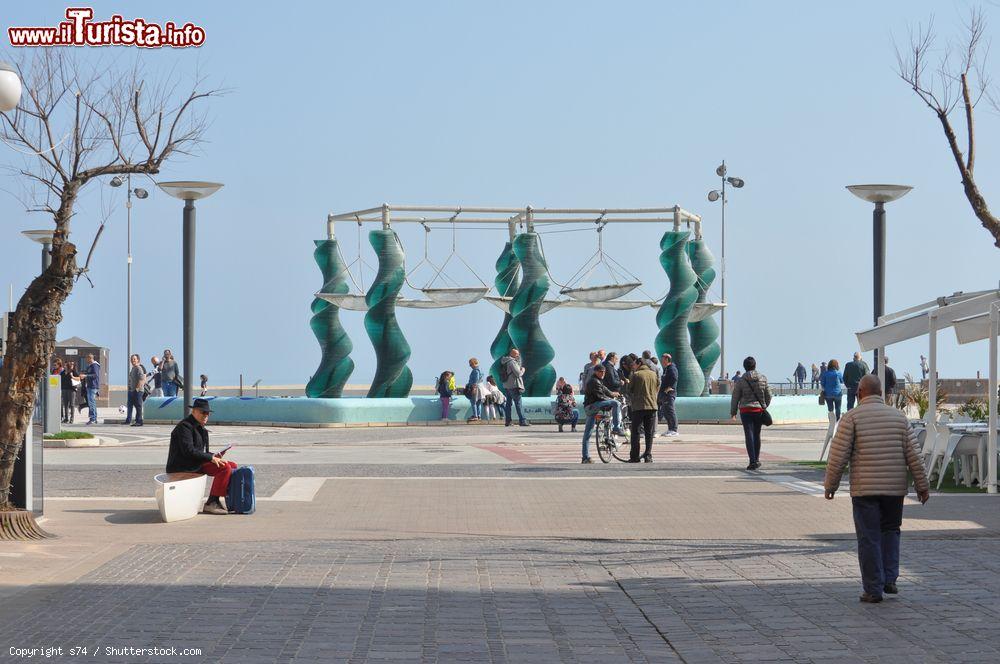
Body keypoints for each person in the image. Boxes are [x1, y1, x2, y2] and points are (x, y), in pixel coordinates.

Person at [824, 375, 930, 603]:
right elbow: (915, 456)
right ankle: (889, 578)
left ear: (860, 392)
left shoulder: (852, 418)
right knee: (891, 531)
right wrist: (922, 486)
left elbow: (838, 456)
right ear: (880, 392)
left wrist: (830, 485)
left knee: (869, 537)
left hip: (865, 489)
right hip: (894, 490)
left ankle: (873, 588)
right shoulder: (899, 418)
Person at [166, 398, 237, 515]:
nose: (206, 415)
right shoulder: (185, 427)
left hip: (195, 463)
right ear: (193, 411)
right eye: (202, 412)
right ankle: (211, 502)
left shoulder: (202, 429)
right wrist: (210, 458)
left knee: (231, 465)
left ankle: (230, 500)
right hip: (183, 466)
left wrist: (214, 456)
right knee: (225, 468)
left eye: (207, 413)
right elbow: (188, 451)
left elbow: (201, 452)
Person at [730, 356, 771, 470]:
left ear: (744, 367)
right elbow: (769, 395)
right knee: (757, 434)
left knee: (749, 435)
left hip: (745, 411)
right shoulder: (762, 378)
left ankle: (752, 461)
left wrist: (733, 412)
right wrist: (764, 406)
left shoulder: (741, 381)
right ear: (755, 365)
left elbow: (735, 397)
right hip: (758, 410)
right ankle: (756, 459)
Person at [580, 364, 626, 463]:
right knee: (616, 403)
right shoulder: (594, 382)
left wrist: (614, 394)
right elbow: (600, 396)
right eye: (600, 372)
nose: (603, 373)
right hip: (593, 406)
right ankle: (616, 428)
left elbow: (606, 390)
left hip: (591, 408)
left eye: (604, 372)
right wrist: (612, 399)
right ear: (595, 372)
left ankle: (585, 457)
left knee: (587, 433)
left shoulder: (598, 381)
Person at [626, 356, 659, 462]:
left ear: (639, 364)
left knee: (635, 432)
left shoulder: (636, 375)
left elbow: (629, 389)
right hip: (652, 406)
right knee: (649, 433)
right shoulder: (653, 374)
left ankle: (635, 456)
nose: (633, 366)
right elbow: (658, 385)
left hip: (639, 407)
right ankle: (648, 456)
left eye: (634, 364)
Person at [500, 348, 528, 426]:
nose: (518, 355)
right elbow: (518, 373)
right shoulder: (512, 362)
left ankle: (508, 421)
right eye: (516, 354)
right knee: (518, 404)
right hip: (514, 385)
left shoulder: (505, 361)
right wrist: (523, 370)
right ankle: (522, 421)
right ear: (512, 354)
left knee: (508, 404)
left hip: (506, 385)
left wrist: (518, 362)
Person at [658, 353, 679, 437]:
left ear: (667, 359)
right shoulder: (666, 369)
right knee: (666, 411)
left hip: (670, 393)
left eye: (663, 359)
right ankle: (670, 429)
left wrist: (670, 387)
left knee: (670, 411)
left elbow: (674, 378)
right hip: (665, 394)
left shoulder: (672, 368)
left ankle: (674, 429)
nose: (661, 361)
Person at [124, 354, 146, 427]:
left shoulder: (139, 368)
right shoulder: (133, 368)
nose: (132, 360)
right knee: (130, 405)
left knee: (138, 406)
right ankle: (128, 420)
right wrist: (130, 389)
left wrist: (137, 389)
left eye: (134, 359)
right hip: (132, 390)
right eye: (132, 359)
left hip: (138, 391)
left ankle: (139, 421)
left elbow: (142, 379)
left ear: (138, 360)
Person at [83, 353, 101, 424]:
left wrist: (86, 376)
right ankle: (94, 418)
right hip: (90, 386)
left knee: (91, 403)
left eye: (87, 359)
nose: (86, 360)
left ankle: (93, 418)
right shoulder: (90, 366)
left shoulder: (95, 365)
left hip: (93, 386)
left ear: (90, 358)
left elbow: (95, 375)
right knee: (92, 403)